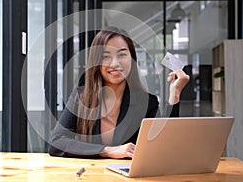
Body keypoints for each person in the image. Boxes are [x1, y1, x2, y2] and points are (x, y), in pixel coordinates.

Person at [49, 27, 189, 159]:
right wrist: (107, 150)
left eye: (122, 54)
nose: (115, 63)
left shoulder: (146, 102)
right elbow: (57, 142)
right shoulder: (81, 97)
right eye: (106, 56)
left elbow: (163, 146)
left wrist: (175, 94)